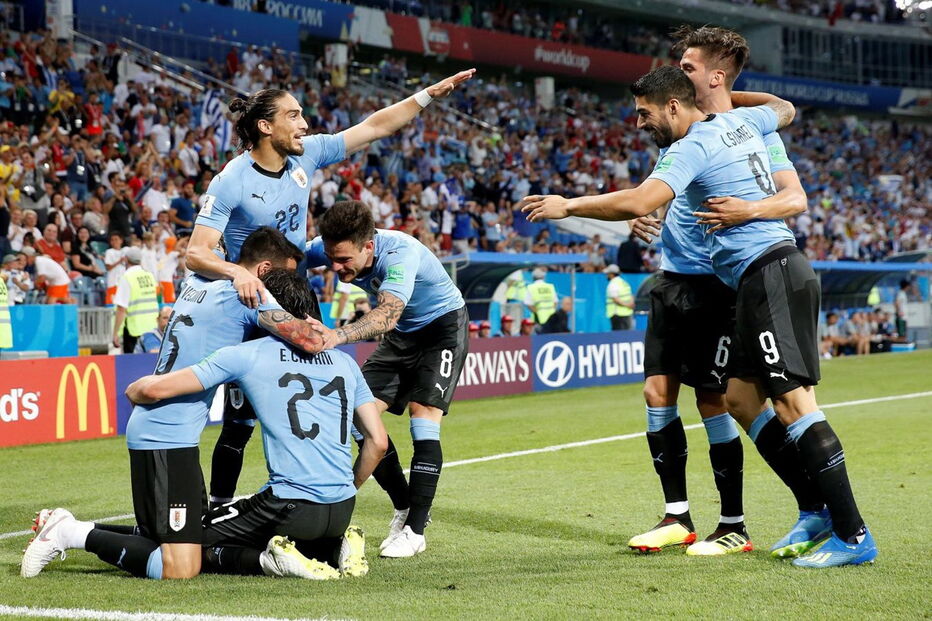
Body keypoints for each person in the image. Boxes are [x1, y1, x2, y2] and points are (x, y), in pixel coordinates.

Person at [523, 65, 875, 568]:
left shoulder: (698, 141)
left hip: (763, 271)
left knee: (793, 405)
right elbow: (782, 108)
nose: (638, 122)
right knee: (739, 398)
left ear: (683, 98)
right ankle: (813, 509)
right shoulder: (741, 124)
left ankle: (851, 533)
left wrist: (568, 205)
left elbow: (646, 196)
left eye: (645, 113)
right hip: (749, 275)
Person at [21, 229, 328, 581]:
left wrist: (232, 269)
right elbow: (311, 340)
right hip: (164, 437)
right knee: (181, 566)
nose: (286, 284)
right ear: (263, 270)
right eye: (284, 275)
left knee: (183, 536)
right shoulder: (249, 297)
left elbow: (197, 252)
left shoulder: (197, 283)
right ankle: (68, 534)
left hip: (170, 432)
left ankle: (72, 525)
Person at [186, 70, 475, 310]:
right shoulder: (230, 181)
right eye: (293, 116)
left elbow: (374, 128)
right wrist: (237, 273)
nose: (304, 124)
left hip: (298, 294)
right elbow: (196, 254)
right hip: (253, 300)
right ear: (266, 126)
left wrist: (426, 95)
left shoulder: (307, 154)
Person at [296, 200, 468, 558]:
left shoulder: (400, 253)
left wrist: (337, 335)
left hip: (442, 330)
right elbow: (285, 256)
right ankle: (404, 506)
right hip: (403, 336)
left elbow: (387, 315)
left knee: (423, 417)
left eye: (345, 260)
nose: (337, 267)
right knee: (360, 418)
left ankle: (416, 530)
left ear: (369, 246)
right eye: (331, 257)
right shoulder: (328, 248)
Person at [111, 247, 160, 354]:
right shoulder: (149, 275)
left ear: (126, 259)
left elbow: (121, 308)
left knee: (133, 366)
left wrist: (115, 333)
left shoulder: (127, 277)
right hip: (151, 326)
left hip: (134, 329)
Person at [604, 264, 634, 330]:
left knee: (618, 337)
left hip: (617, 314)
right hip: (628, 313)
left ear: (612, 274)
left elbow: (615, 299)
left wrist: (627, 305)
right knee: (628, 336)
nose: (606, 275)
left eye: (607, 273)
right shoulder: (624, 283)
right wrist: (630, 305)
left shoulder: (612, 284)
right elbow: (631, 296)